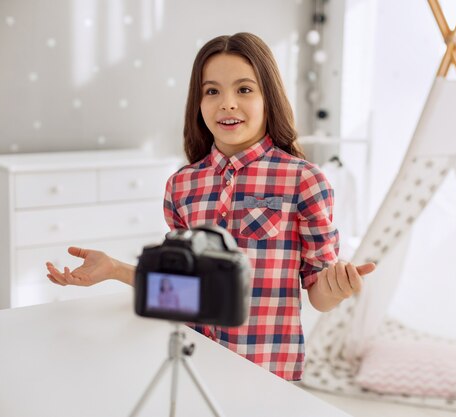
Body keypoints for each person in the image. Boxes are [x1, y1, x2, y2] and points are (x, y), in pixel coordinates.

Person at [45, 32, 375, 381]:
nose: (227, 103)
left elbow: (319, 295)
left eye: (244, 89)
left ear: (269, 98)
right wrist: (113, 268)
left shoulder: (304, 180)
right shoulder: (181, 185)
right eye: (212, 91)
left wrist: (337, 287)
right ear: (198, 103)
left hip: (265, 371)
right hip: (191, 362)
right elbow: (180, 287)